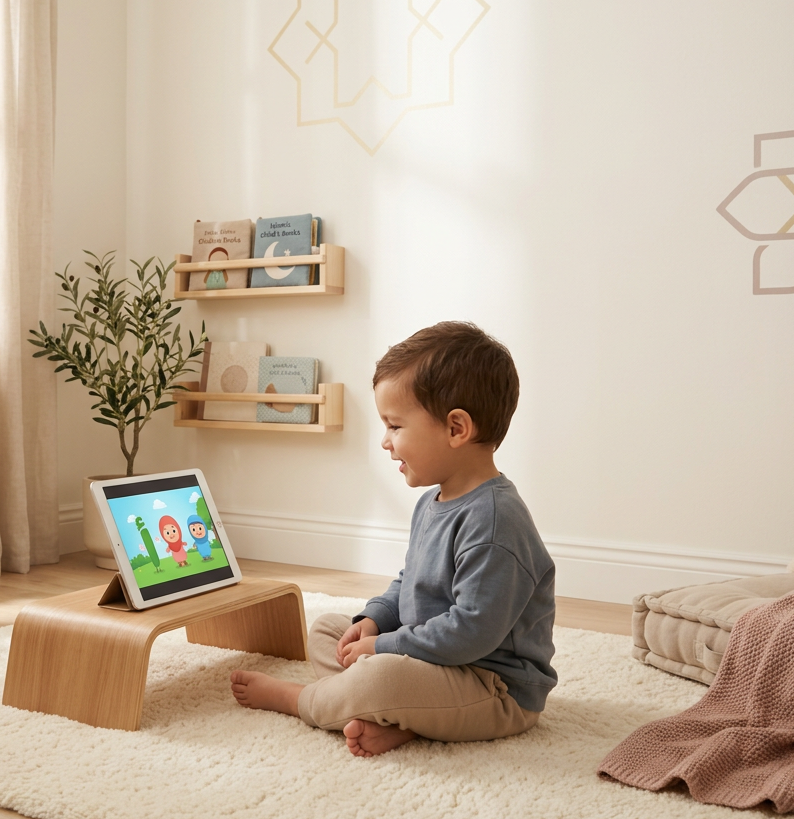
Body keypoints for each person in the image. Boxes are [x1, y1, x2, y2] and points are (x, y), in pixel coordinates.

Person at [230, 321, 557, 757]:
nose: (385, 442)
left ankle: (302, 701)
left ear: (456, 428)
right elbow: (410, 581)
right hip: (431, 664)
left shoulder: (496, 521)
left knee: (378, 677)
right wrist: (376, 621)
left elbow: (470, 632)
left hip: (491, 687)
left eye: (395, 426)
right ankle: (396, 716)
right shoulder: (433, 502)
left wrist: (385, 646)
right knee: (332, 629)